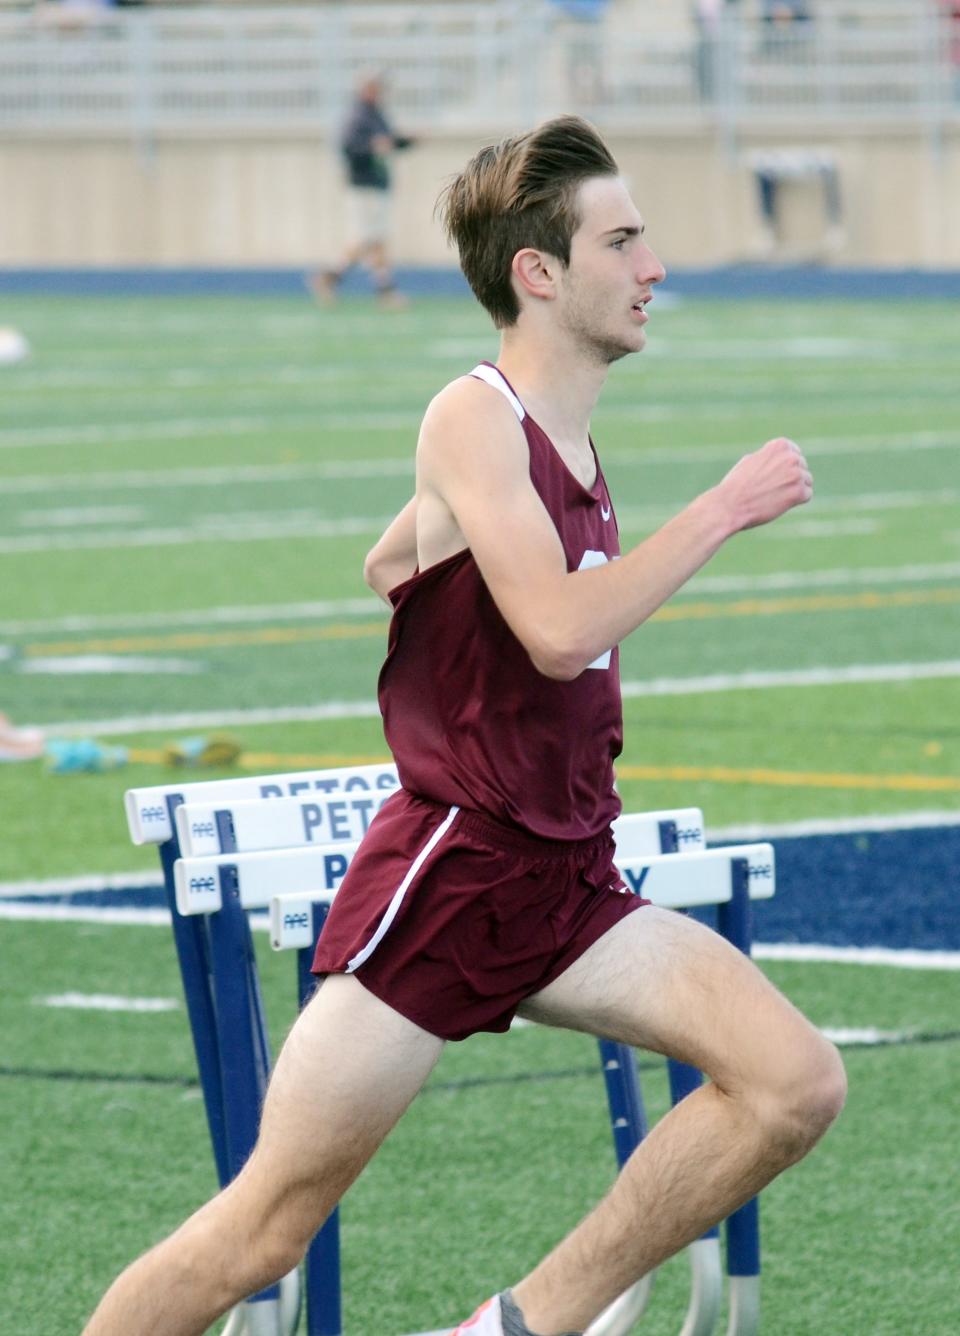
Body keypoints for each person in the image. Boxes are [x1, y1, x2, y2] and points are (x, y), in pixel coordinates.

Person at [82, 115, 846, 1336]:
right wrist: (720, 509)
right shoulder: (473, 413)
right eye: (625, 240)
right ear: (539, 272)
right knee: (267, 1222)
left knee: (793, 1083)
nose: (654, 267)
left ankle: (514, 1327)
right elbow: (551, 630)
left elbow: (391, 559)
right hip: (454, 874)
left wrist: (439, 548)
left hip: (567, 879)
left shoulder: (556, 438)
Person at [310, 71, 415, 310]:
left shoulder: (375, 114)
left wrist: (407, 142)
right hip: (364, 185)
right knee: (365, 238)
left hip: (377, 184)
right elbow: (351, 147)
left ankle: (382, 290)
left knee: (375, 238)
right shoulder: (357, 116)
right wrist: (372, 148)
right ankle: (330, 278)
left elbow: (388, 142)